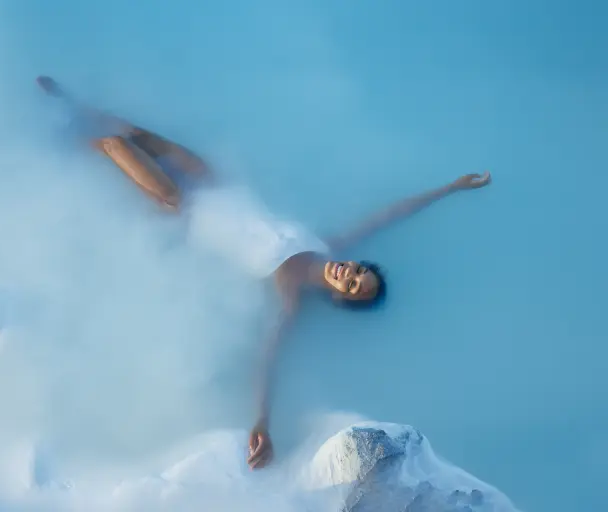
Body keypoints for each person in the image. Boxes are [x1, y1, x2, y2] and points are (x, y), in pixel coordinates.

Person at [36, 75, 493, 470]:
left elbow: (269, 358)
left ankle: (52, 138)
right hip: (214, 182)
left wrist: (261, 423)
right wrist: (449, 188)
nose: (349, 273)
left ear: (338, 297)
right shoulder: (327, 247)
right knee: (135, 133)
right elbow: (388, 215)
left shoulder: (291, 291)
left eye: (351, 285)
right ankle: (68, 102)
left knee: (114, 146)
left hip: (182, 206)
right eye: (358, 271)